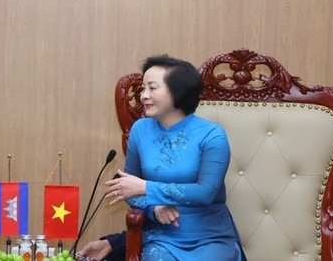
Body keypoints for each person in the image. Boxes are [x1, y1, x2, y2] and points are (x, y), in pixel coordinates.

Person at [101, 55, 245, 261]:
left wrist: (148, 188)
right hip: (162, 237)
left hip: (210, 238)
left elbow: (205, 193)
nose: (143, 96)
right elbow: (128, 187)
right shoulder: (140, 129)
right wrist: (153, 207)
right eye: (143, 88)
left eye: (152, 88)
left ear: (178, 92)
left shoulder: (212, 135)